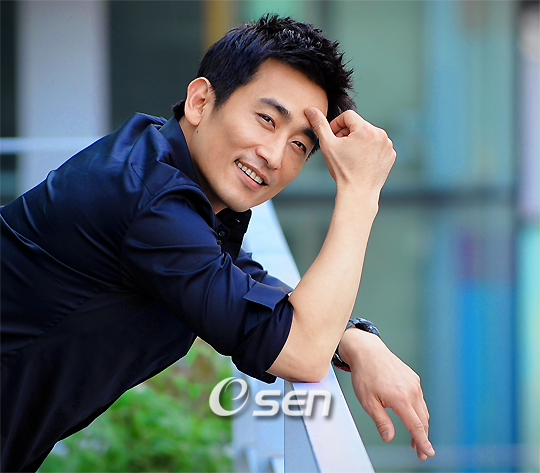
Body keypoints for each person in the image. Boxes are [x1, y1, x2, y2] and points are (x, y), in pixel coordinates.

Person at [1, 14, 434, 471]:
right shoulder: (149, 200)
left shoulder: (168, 174)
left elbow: (246, 286)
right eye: (266, 119)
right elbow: (299, 351)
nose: (274, 156)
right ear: (200, 100)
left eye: (300, 146)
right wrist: (360, 192)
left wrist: (354, 338)